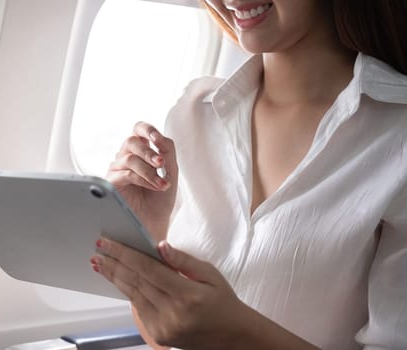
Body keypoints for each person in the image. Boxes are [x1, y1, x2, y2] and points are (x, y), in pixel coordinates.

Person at [89, 0, 407, 349]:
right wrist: (145, 236)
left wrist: (237, 330)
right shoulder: (194, 113)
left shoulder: (397, 134)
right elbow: (167, 337)